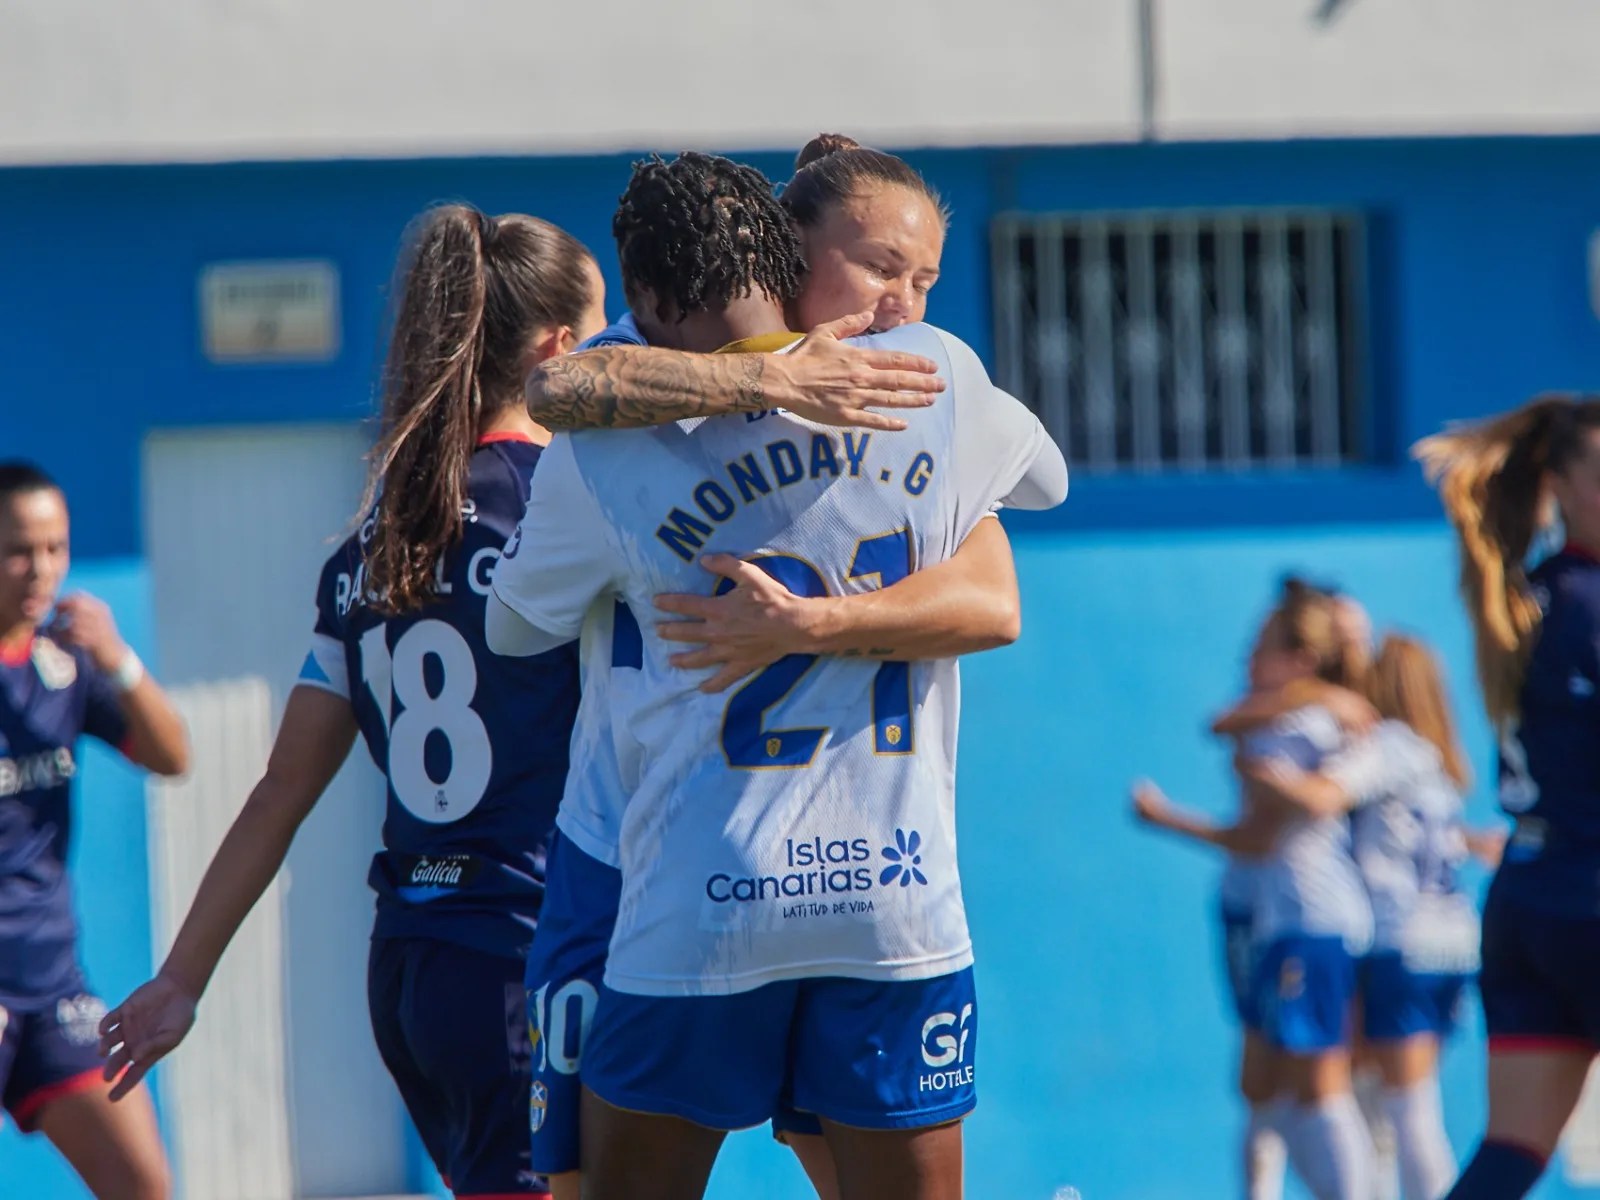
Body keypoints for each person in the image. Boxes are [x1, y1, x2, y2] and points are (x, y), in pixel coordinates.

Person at [488, 150, 1066, 1200]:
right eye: (885, 267)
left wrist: (803, 623)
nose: (904, 301)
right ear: (789, 251)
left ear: (649, 295)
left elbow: (518, 623)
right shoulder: (935, 380)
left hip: (691, 883)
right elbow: (1037, 501)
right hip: (891, 894)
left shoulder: (604, 444)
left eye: (922, 280)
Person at [96, 205, 607, 1200]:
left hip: (412, 967)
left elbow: (280, 789)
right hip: (519, 948)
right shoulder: (568, 507)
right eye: (608, 332)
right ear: (561, 350)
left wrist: (183, 979)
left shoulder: (379, 540)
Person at [1413, 396, 1600, 1200]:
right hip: (1585, 899)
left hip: (1527, 901)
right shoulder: (1586, 603)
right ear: (1558, 484)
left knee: (1510, 1153)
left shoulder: (1533, 595)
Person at [1134, 579, 1375, 1200]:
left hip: (1310, 916)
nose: (1246, 659)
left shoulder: (1307, 726)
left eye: (1260, 646)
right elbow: (1224, 723)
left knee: (1319, 1089)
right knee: (1271, 1087)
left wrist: (1169, 820)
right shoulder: (1288, 715)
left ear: (1299, 660)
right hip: (1283, 918)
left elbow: (1259, 837)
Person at [0, 461, 190, 1200]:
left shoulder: (66, 664)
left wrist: (120, 660)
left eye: (55, 548)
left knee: (144, 1184)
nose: (40, 569)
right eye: (20, 549)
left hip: (52, 989)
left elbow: (173, 757)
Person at [1240, 633, 1480, 1200]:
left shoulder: (1390, 744)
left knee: (1406, 1112)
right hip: (1454, 941)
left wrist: (1272, 779)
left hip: (1402, 943)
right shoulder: (1438, 760)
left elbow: (1324, 797)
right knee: (1395, 1107)